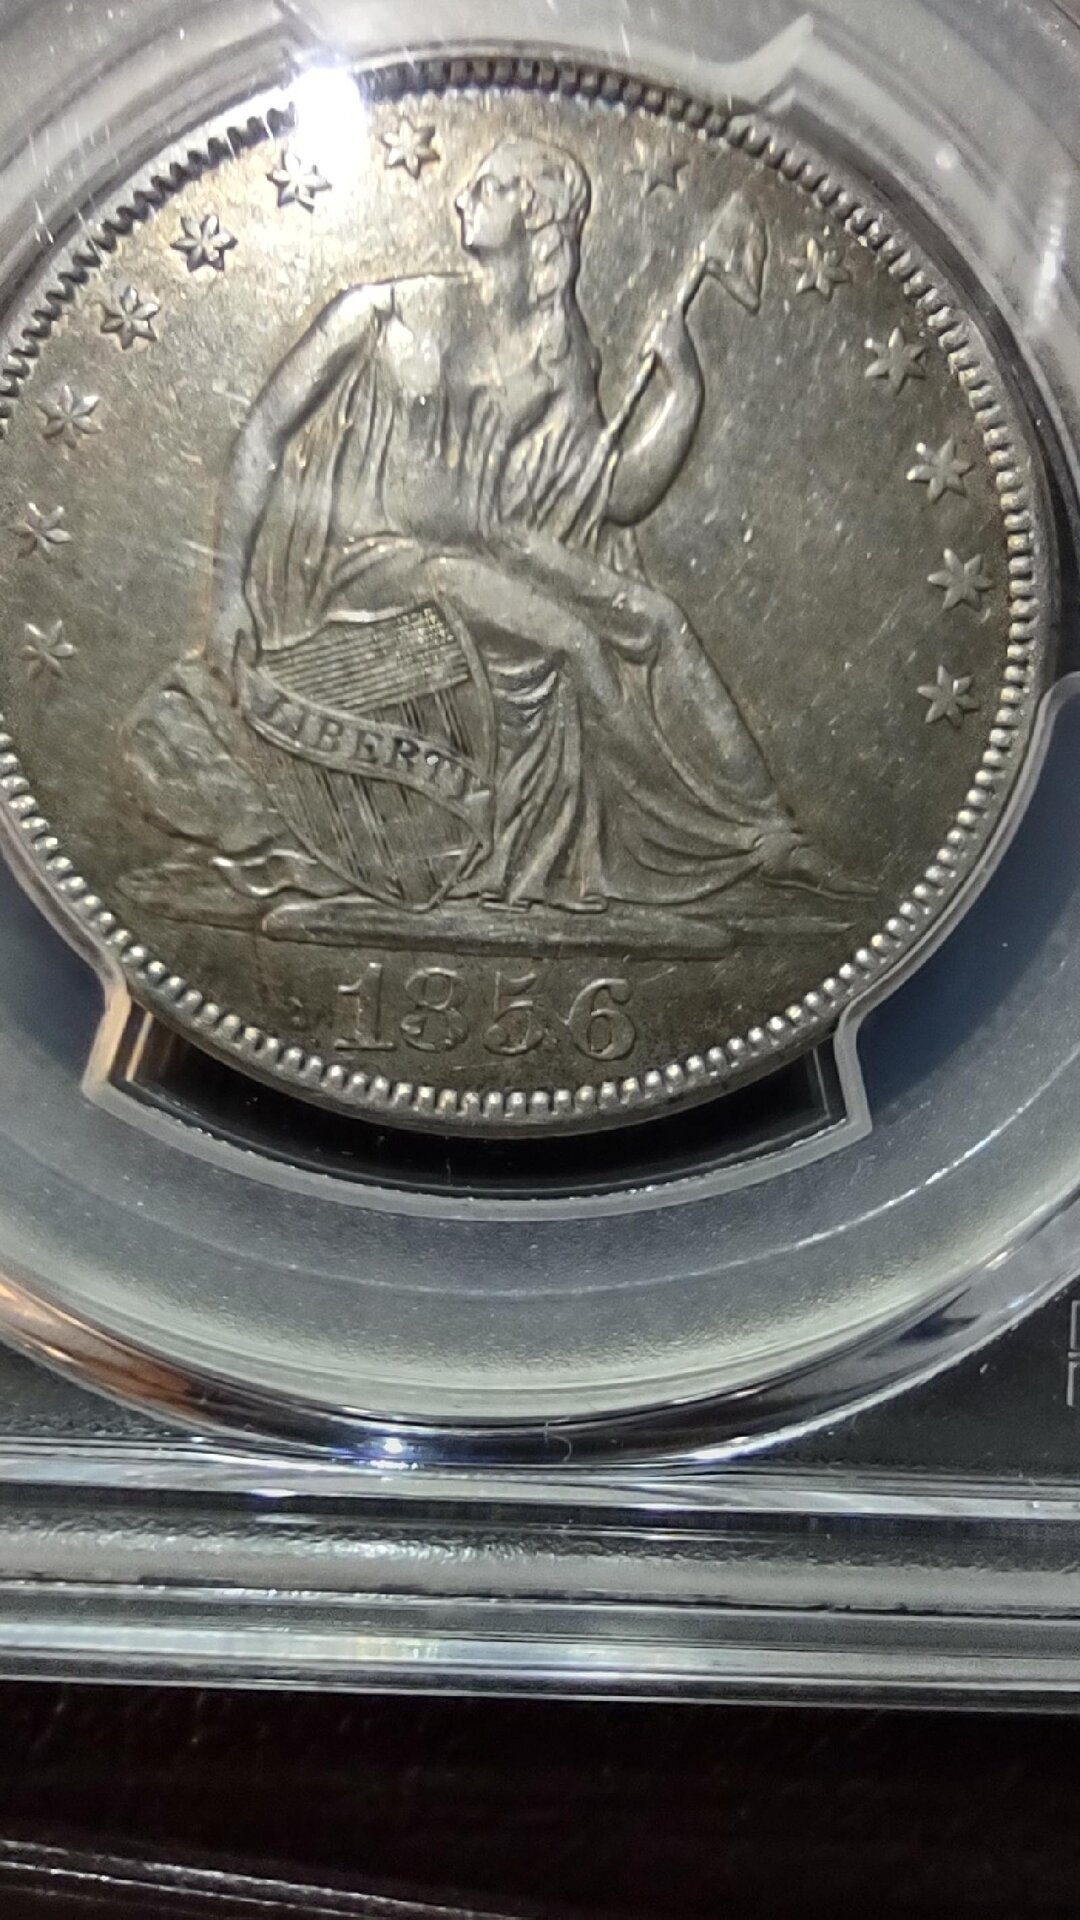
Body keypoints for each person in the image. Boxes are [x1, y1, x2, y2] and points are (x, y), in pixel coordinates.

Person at [126, 136, 845, 924]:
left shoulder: (560, 351)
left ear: (536, 216)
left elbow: (612, 494)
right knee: (572, 642)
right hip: (381, 562)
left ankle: (771, 833)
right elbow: (265, 431)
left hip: (490, 549)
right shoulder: (384, 311)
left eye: (491, 188)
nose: (463, 199)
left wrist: (681, 393)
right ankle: (700, 845)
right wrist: (229, 590)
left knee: (658, 618)